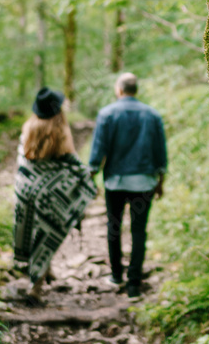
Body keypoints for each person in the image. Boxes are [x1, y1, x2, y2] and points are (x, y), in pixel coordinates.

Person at [13, 87, 96, 303]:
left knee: (35, 232)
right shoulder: (59, 131)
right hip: (50, 195)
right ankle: (35, 287)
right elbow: (71, 163)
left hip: (26, 191)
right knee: (47, 231)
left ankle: (45, 269)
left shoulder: (28, 127)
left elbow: (23, 162)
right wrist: (87, 180)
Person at [89, 72, 167, 300]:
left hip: (115, 182)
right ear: (136, 90)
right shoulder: (152, 115)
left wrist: (91, 173)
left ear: (119, 90)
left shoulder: (107, 114)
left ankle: (116, 275)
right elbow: (160, 150)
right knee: (138, 231)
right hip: (144, 182)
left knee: (113, 228)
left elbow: (99, 149)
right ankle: (134, 284)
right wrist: (160, 181)